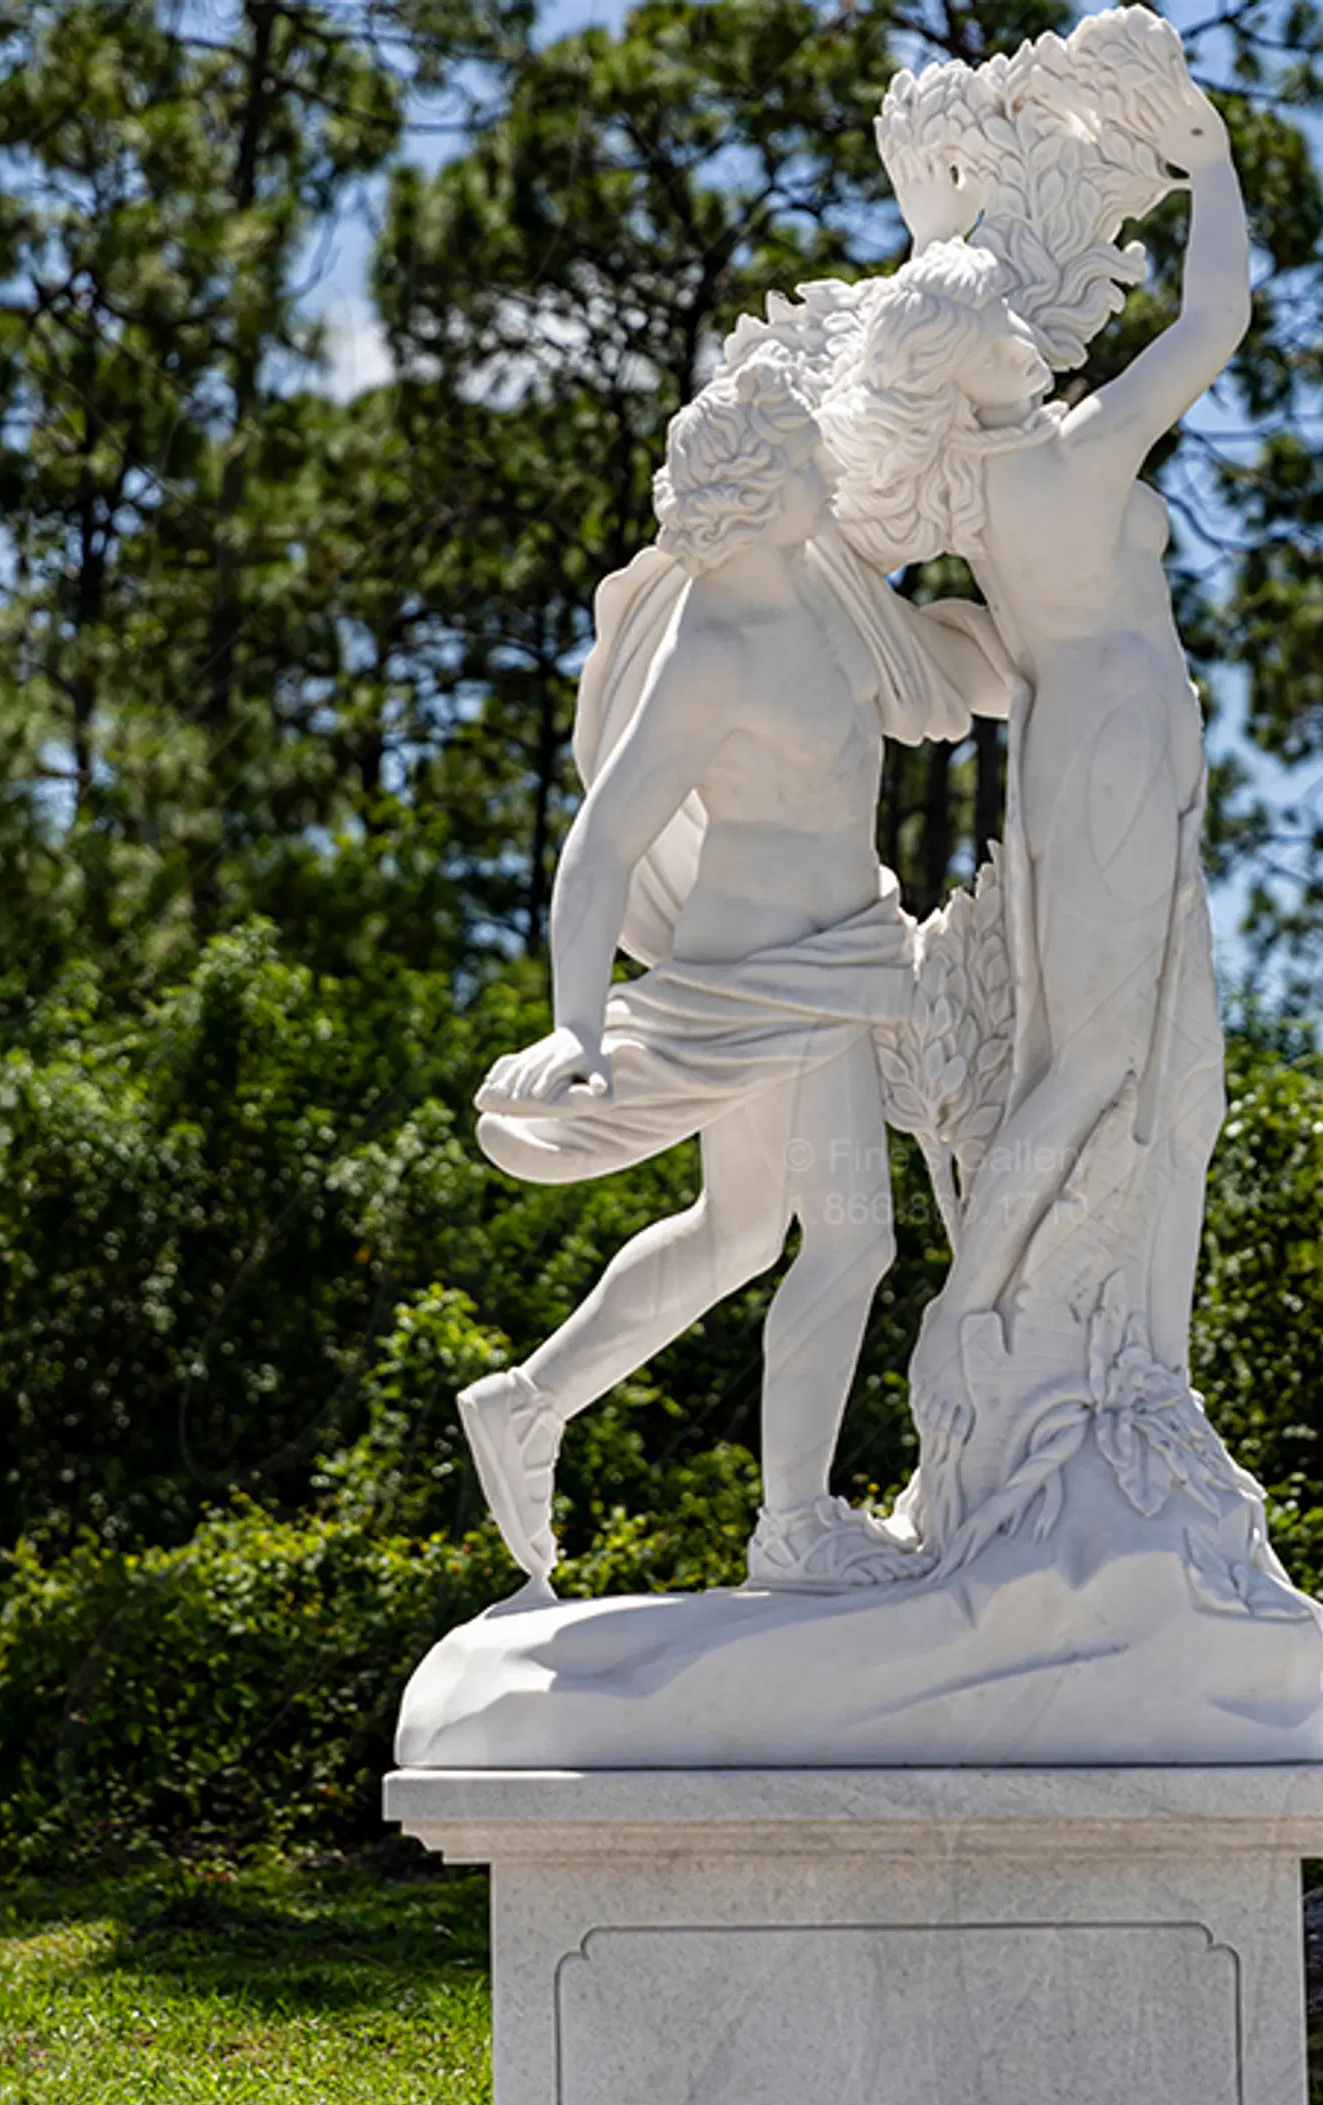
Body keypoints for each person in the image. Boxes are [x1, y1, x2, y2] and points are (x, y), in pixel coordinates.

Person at [458, 355, 1004, 1601]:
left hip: (835, 951)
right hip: (767, 979)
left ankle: (529, 1400)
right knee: (850, 1241)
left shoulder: (820, 585)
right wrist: (571, 1025)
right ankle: (794, 1522)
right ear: (756, 492)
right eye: (807, 463)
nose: (827, 474)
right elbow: (597, 842)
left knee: (741, 1230)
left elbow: (939, 671)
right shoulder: (708, 643)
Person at [822, 80, 1247, 1451]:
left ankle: (1123, 1356)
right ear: (981, 369)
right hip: (1116, 743)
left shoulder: (972, 481)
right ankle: (975, 1317)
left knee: (1116, 1066)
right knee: (1107, 1068)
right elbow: (1211, 323)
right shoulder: (1073, 452)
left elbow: (927, 329)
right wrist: (1215, 170)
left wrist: (928, 227)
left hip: (1081, 749)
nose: (1029, 325)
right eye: (1002, 325)